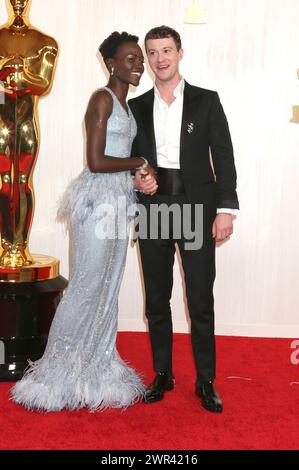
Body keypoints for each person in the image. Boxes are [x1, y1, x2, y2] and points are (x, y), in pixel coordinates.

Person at [11, 31, 156, 411]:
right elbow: (96, 160)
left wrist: (137, 172)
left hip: (119, 202)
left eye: (139, 59)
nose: (138, 65)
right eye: (130, 59)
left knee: (109, 286)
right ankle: (56, 374)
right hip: (95, 202)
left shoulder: (127, 107)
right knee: (87, 285)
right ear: (111, 63)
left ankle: (96, 367)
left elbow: (119, 155)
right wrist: (138, 163)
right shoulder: (101, 100)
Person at [130, 26, 239, 413]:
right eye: (153, 52)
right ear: (147, 57)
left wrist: (226, 210)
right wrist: (137, 178)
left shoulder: (206, 101)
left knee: (199, 299)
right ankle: (163, 373)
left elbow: (223, 158)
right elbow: (128, 158)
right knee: (157, 300)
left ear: (180, 53)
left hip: (197, 208)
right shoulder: (137, 106)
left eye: (167, 50)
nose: (160, 58)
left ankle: (205, 381)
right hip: (154, 209)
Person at [0, 0, 58, 267]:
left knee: (22, 179)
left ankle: (20, 247)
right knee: (3, 180)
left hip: (25, 121)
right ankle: (6, 246)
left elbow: (43, 84)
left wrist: (22, 75)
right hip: (1, 121)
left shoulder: (45, 42)